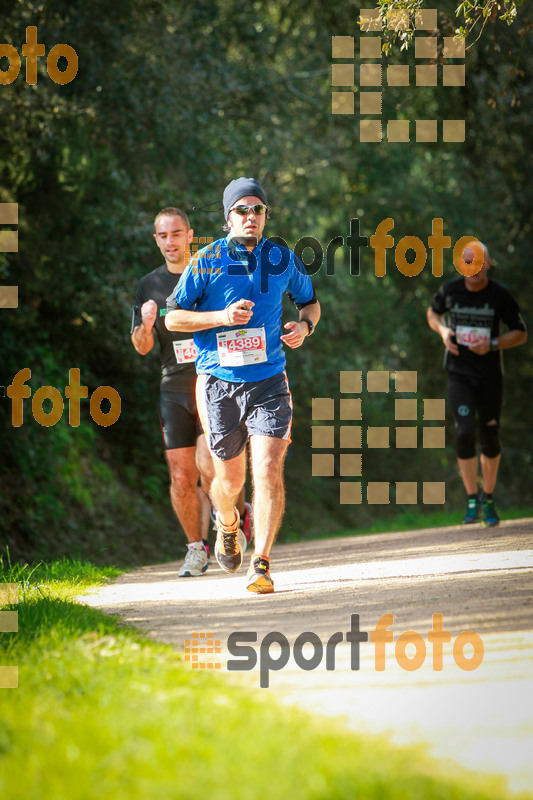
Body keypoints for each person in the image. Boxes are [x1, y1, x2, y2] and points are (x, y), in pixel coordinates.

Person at [165, 178, 320, 593]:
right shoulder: (206, 261)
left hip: (269, 379)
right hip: (219, 382)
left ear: (266, 215)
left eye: (257, 210)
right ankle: (228, 522)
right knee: (229, 483)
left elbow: (310, 302)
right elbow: (173, 318)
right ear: (227, 217)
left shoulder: (284, 259)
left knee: (268, 468)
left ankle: (262, 563)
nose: (250, 217)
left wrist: (304, 326)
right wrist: (221, 318)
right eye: (242, 210)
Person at [131, 207, 251, 577]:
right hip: (173, 387)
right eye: (163, 236)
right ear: (156, 240)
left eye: (177, 234)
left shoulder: (208, 272)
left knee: (207, 465)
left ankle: (233, 518)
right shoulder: (148, 286)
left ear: (189, 234)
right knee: (181, 477)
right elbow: (140, 346)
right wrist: (147, 325)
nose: (170, 241)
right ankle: (195, 550)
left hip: (214, 380)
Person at [427, 241, 527, 526]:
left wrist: (493, 344)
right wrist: (444, 331)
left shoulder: (500, 295)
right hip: (459, 373)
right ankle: (472, 499)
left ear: (487, 263)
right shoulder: (450, 290)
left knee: (490, 436)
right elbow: (432, 314)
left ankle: (490, 497)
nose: (473, 268)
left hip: (490, 375)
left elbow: (521, 332)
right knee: (464, 432)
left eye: (478, 261)